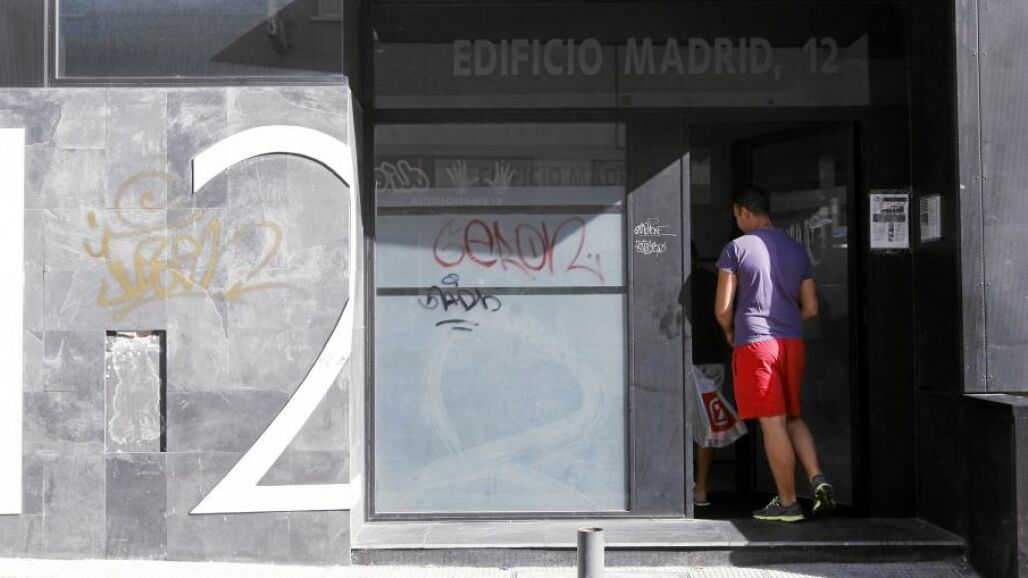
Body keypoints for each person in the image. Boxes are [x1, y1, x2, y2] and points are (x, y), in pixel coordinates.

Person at [714, 186, 836, 522]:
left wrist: (730, 331)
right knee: (793, 416)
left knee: (772, 423)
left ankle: (788, 503)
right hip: (792, 343)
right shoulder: (796, 250)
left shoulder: (736, 248)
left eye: (736, 215)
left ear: (744, 211)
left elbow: (722, 309)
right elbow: (811, 308)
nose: (737, 221)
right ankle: (817, 478)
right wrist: (786, 320)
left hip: (756, 344)